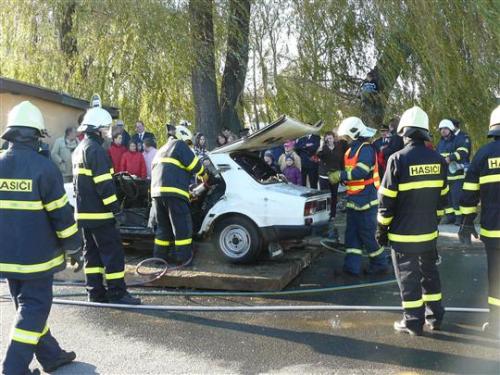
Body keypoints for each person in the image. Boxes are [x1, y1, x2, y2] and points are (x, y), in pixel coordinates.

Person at [0, 101, 83, 374]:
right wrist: (74, 247)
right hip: (36, 258)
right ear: (37, 135)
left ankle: (51, 355)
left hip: (6, 258)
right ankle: (13, 369)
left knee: (27, 308)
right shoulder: (44, 168)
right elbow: (61, 216)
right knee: (34, 308)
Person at [377, 106, 447, 336]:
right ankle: (435, 317)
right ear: (425, 132)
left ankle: (413, 322)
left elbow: (386, 202)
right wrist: (433, 224)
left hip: (403, 236)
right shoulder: (438, 160)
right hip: (428, 234)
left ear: (404, 133)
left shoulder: (397, 159)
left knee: (408, 279)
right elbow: (442, 201)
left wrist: (382, 229)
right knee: (430, 275)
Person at [72, 96, 141, 305]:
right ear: (99, 129)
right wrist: (115, 209)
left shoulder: (79, 150)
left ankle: (95, 291)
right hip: (101, 214)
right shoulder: (96, 151)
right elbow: (104, 185)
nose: (108, 133)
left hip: (83, 214)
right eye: (106, 129)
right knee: (112, 253)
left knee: (91, 254)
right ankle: (117, 293)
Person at [458, 105, 500, 339]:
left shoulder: (483, 154)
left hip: (494, 230)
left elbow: (469, 192)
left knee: (496, 275)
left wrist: (466, 221)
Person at [328, 117, 388, 276]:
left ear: (353, 133)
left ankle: (380, 264)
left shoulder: (366, 149)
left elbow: (361, 171)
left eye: (345, 136)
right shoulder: (350, 150)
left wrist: (340, 175)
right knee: (352, 237)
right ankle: (351, 268)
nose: (344, 139)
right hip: (354, 201)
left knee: (368, 236)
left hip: (367, 202)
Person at [151, 124, 207, 265]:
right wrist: (204, 174)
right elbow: (195, 165)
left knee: (163, 228)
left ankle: (159, 257)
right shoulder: (180, 145)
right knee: (182, 227)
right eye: (189, 142)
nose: (189, 146)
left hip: (157, 194)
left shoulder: (161, 149)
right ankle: (183, 259)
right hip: (174, 193)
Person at [436, 119, 468, 225]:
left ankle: (459, 218)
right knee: (447, 198)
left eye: (445, 128)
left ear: (450, 129)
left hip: (457, 175)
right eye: (441, 129)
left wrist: (451, 158)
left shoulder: (458, 139)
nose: (443, 131)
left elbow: (463, 152)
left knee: (456, 197)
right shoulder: (441, 142)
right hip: (445, 175)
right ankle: (450, 217)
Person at [318, 131, 347, 238]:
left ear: (334, 138)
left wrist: (342, 174)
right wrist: (322, 144)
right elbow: (318, 155)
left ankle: (333, 214)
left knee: (334, 195)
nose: (329, 140)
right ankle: (324, 214)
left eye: (331, 138)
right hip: (324, 175)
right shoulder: (323, 148)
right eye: (327, 138)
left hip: (334, 175)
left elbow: (342, 161)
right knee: (325, 196)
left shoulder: (339, 147)